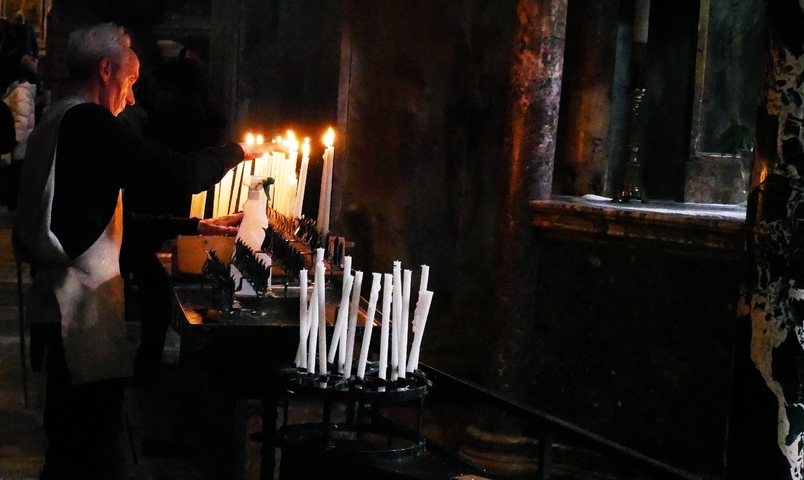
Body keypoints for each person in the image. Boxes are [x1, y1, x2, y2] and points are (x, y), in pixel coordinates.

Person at [13, 23, 254, 480]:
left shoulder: (60, 117)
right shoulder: (88, 122)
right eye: (130, 81)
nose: (133, 96)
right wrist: (236, 152)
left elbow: (98, 216)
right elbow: (176, 174)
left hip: (63, 307)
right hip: (75, 310)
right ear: (105, 70)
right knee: (93, 454)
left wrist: (194, 226)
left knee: (71, 446)